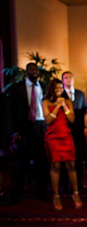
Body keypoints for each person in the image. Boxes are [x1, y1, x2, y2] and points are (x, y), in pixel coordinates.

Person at [8, 63, 50, 205]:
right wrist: (15, 132)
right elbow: (12, 111)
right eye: (32, 69)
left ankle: (40, 192)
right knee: (22, 162)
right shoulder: (17, 88)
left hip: (40, 126)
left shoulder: (44, 87)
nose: (34, 72)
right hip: (24, 127)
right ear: (27, 71)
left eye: (36, 70)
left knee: (41, 162)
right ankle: (16, 194)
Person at [42, 79, 80, 211]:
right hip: (53, 137)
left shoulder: (68, 101)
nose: (59, 90)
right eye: (56, 88)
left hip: (66, 136)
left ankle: (76, 193)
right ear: (51, 89)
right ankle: (56, 195)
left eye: (61, 88)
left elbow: (72, 119)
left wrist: (64, 106)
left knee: (71, 165)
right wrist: (57, 106)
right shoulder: (46, 102)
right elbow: (48, 120)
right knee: (56, 165)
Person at [61, 71, 87, 192]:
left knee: (79, 156)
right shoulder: (60, 95)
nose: (68, 79)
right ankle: (64, 184)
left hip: (78, 130)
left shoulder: (80, 94)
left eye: (70, 77)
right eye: (66, 78)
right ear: (63, 81)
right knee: (65, 158)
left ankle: (79, 182)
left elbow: (84, 111)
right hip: (65, 129)